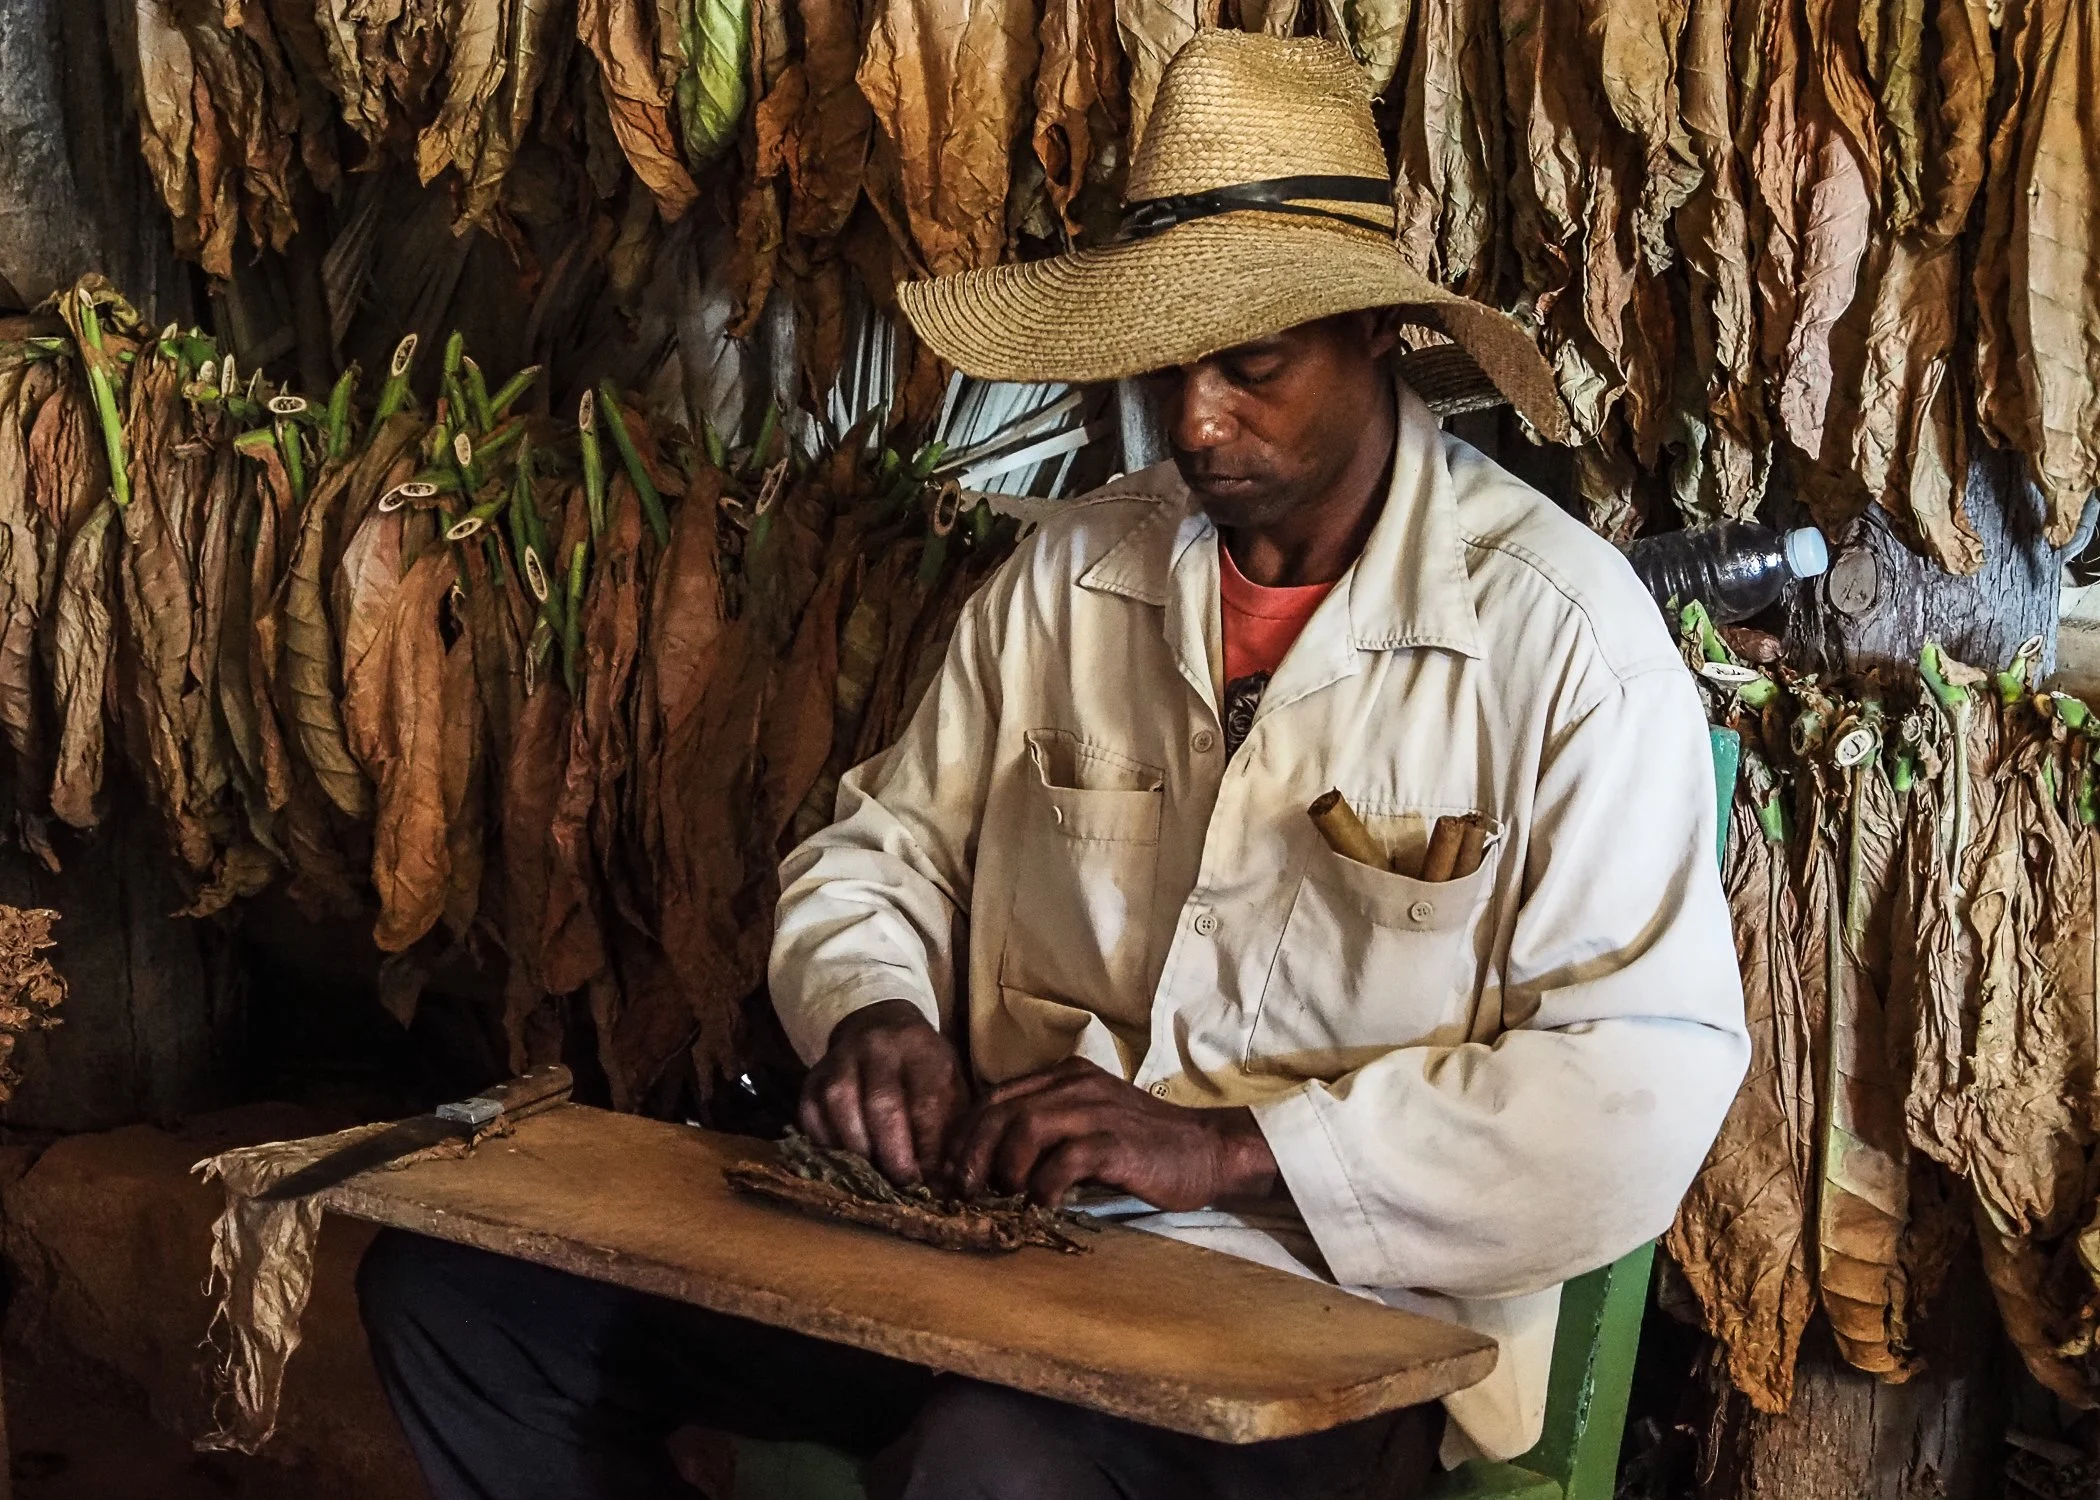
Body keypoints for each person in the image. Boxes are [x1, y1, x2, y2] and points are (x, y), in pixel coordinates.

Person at [357, 29, 1749, 1500]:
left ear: (1376, 338)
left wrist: (1226, 1151)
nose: (1198, 419)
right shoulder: (1074, 574)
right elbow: (883, 854)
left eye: (1253, 366)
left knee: (993, 1466)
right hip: (985, 1243)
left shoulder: (1561, 641)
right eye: (1173, 365)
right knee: (459, 1304)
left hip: (1325, 1323)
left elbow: (1635, 1088)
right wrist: (876, 1012)